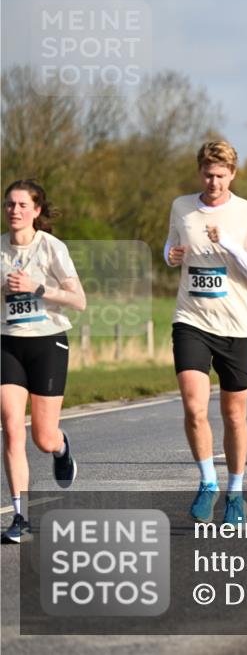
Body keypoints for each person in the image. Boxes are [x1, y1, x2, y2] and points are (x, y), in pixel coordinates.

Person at [165, 141, 247, 525]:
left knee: (234, 414)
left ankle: (236, 492)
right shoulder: (182, 207)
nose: (213, 182)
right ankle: (208, 482)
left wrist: (225, 242)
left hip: (236, 327)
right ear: (200, 172)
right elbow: (171, 246)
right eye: (207, 174)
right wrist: (171, 256)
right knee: (194, 407)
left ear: (232, 175)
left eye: (220, 176)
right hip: (191, 319)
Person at [1, 181, 86, 543]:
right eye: (9, 204)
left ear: (36, 210)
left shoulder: (51, 248)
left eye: (22, 204)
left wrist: (37, 288)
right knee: (10, 426)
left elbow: (78, 300)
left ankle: (61, 447)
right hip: (7, 342)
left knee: (42, 436)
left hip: (48, 342)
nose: (14, 210)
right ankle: (21, 517)